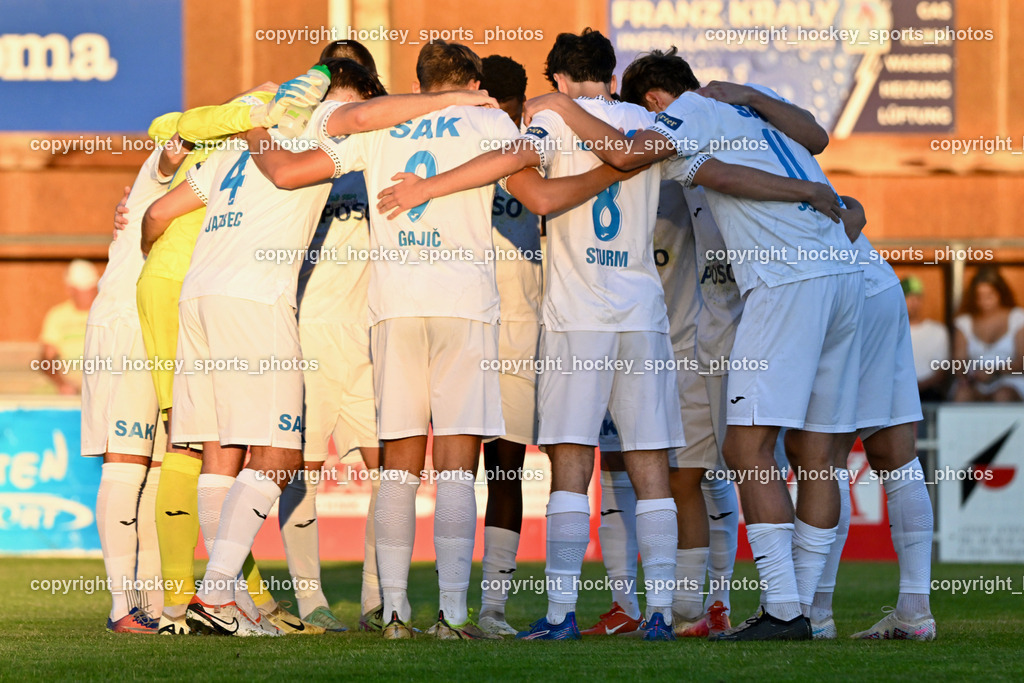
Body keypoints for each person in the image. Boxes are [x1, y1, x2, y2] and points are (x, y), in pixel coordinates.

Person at [520, 48, 861, 641]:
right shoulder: (745, 110)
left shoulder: (677, 119)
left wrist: (555, 105)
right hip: (846, 275)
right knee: (816, 455)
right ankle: (810, 610)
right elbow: (815, 137)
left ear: (653, 101)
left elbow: (628, 155)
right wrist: (782, 147)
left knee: (745, 449)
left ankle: (784, 611)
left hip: (782, 283)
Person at [140, 59, 379, 637]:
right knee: (277, 456)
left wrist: (150, 261)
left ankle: (223, 602)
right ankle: (219, 597)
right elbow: (299, 170)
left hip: (197, 298)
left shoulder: (231, 149)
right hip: (256, 303)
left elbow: (156, 213)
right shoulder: (325, 141)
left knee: (219, 453)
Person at [280, 38, 383, 635]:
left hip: (371, 336)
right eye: (331, 73)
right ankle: (311, 598)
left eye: (352, 75)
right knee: (301, 470)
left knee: (393, 470)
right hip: (310, 331)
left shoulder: (386, 144)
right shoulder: (295, 146)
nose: (341, 84)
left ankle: (377, 599)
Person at [84, 128, 188, 634]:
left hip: (167, 331)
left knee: (158, 469)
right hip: (128, 322)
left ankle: (152, 603)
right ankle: (121, 605)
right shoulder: (177, 158)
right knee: (126, 463)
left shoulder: (231, 180)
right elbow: (169, 156)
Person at [475, 54, 543, 637]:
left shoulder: (538, 148)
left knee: (494, 470)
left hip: (503, 331)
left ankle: (479, 608)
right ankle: (486, 610)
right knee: (501, 472)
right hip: (491, 329)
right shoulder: (468, 144)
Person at [952, 266, 1024, 402]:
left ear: (1000, 293)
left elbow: (1022, 361)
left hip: (1010, 380)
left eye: (989, 295)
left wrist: (995, 371)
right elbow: (958, 361)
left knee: (1003, 395)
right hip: (975, 381)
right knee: (962, 395)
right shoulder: (964, 322)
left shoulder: (1018, 318)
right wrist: (965, 375)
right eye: (980, 296)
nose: (985, 301)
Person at [39, 259, 98, 394]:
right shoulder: (58, 315)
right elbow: (47, 358)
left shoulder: (107, 313)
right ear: (70, 289)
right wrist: (62, 383)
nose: (89, 293)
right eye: (83, 289)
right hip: (69, 382)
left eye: (91, 287)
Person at [904, 276, 950, 402]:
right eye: (908, 297)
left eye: (917, 298)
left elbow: (942, 371)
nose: (913, 303)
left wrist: (917, 388)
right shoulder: (889, 332)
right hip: (897, 394)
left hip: (929, 394)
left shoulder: (938, 331)